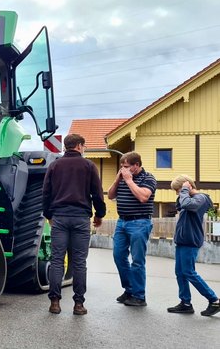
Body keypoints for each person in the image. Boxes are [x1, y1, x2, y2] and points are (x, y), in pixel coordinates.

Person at [42, 134, 106, 315]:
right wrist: (99, 215)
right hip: (80, 218)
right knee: (79, 262)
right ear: (79, 146)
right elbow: (97, 194)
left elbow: (46, 193)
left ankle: (54, 302)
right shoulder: (89, 166)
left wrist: (49, 215)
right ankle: (78, 304)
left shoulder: (54, 166)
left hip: (60, 217)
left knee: (56, 261)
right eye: (84, 146)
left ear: (66, 147)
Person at [166, 175, 220, 316]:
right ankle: (186, 303)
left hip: (191, 241)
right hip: (183, 241)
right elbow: (181, 204)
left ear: (187, 186)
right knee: (180, 272)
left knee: (189, 272)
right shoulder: (188, 198)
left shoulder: (201, 198)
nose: (178, 193)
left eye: (178, 190)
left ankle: (214, 300)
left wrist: (184, 190)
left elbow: (188, 205)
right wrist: (184, 193)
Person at [107, 151, 156, 306]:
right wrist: (117, 180)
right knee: (118, 256)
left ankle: (139, 296)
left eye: (127, 166)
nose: (123, 169)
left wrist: (129, 181)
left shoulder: (148, 178)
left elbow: (143, 197)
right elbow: (110, 195)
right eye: (122, 166)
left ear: (136, 165)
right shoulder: (122, 178)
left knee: (137, 261)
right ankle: (129, 289)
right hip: (122, 222)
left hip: (139, 223)